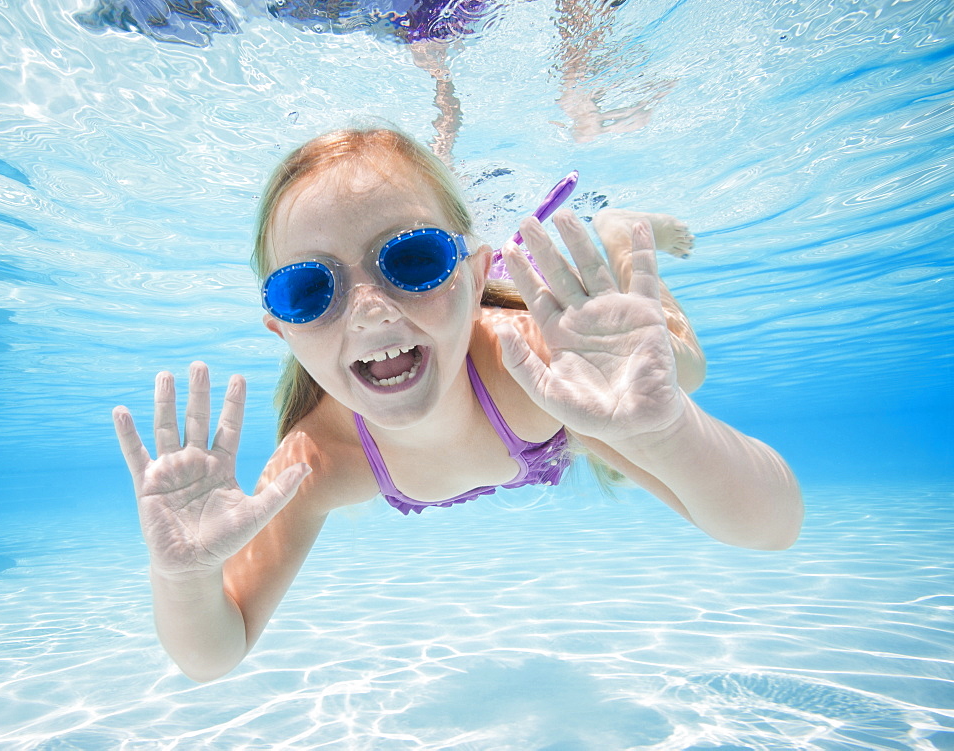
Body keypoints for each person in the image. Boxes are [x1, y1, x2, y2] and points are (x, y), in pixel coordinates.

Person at [112, 127, 803, 682]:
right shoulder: (320, 461)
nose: (370, 310)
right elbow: (213, 652)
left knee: (685, 368)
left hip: (529, 383)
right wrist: (184, 574)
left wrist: (669, 428)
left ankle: (621, 238)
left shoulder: (540, 368)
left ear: (474, 281)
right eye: (307, 291)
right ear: (283, 330)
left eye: (411, 259)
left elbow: (771, 525)